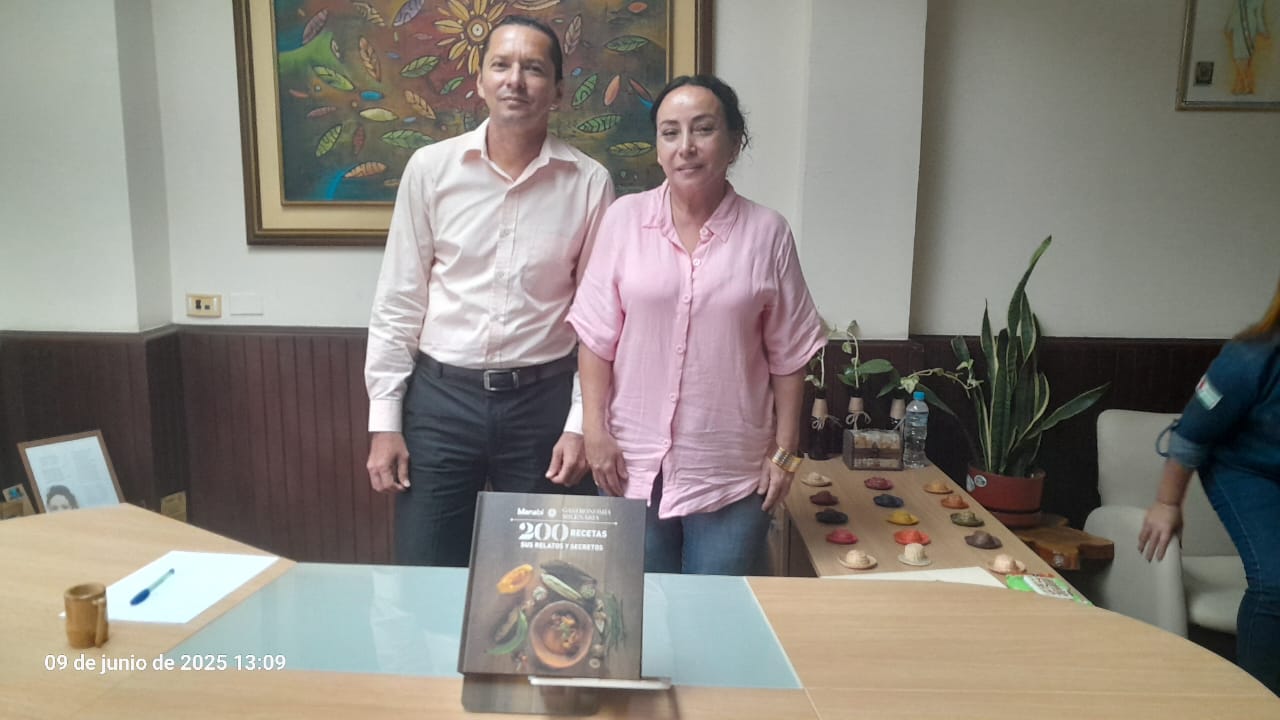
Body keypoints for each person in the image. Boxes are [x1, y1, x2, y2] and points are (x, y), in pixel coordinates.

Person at [365, 16, 615, 568]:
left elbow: (598, 323)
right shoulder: (431, 170)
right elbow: (398, 300)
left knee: (548, 577)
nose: (515, 80)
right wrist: (385, 422)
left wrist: (580, 425)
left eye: (533, 68)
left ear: (558, 90)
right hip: (440, 402)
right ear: (480, 82)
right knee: (426, 572)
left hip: (543, 405)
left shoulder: (589, 182)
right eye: (501, 65)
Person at [567, 75, 826, 575]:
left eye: (703, 129)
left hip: (732, 470)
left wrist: (786, 452)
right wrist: (593, 431)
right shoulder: (624, 220)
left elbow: (789, 354)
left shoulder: (767, 233)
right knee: (637, 611)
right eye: (670, 132)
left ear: (734, 142)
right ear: (658, 147)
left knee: (720, 609)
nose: (685, 146)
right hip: (628, 463)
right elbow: (596, 339)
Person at [1138, 277, 1280, 695]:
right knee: (1277, 584)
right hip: (1244, 470)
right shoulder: (1250, 358)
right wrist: (1167, 503)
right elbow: (1191, 434)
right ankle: (1257, 698)